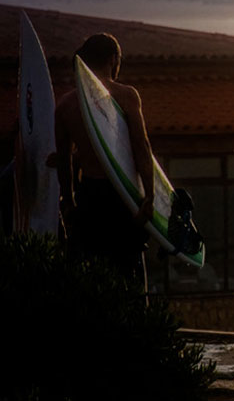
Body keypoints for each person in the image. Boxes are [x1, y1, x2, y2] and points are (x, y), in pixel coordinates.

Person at [55, 33, 153, 284]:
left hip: (89, 197)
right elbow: (141, 147)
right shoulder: (127, 95)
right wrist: (150, 196)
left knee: (92, 278)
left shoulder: (65, 105)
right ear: (113, 59)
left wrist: (68, 201)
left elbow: (64, 161)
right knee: (128, 275)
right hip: (123, 197)